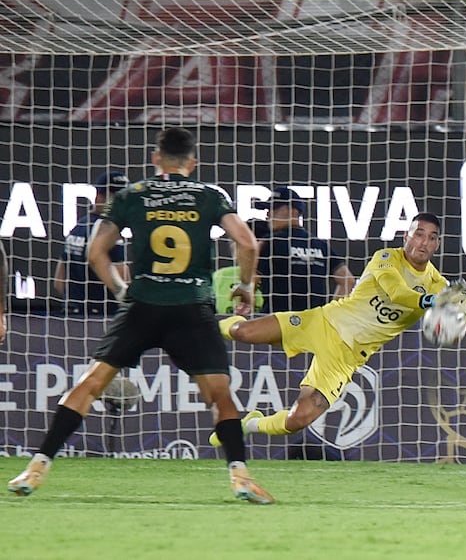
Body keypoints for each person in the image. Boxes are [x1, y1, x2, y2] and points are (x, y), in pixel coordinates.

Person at [8, 127, 273, 504]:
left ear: (155, 158)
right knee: (219, 396)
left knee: (90, 384)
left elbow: (97, 253)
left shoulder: (134, 194)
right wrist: (245, 287)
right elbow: (246, 242)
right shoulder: (210, 195)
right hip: (191, 307)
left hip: (143, 305)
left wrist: (120, 291)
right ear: (192, 162)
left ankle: (36, 467)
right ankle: (241, 476)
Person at [209, 212, 466, 447]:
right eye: (418, 234)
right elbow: (396, 293)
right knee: (243, 333)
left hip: (347, 357)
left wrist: (454, 321)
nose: (423, 242)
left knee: (298, 420)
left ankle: (246, 426)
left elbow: (443, 320)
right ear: (407, 236)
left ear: (437, 244)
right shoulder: (386, 258)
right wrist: (431, 301)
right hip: (324, 323)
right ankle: (201, 324)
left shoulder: (438, 285)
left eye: (431, 237)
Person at [252, 186, 356, 313]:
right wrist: (330, 313)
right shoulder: (320, 245)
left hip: (277, 323)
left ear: (293, 211)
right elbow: (348, 280)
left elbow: (250, 276)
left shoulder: (268, 242)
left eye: (274, 208)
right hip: (312, 325)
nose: (268, 214)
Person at [53, 171, 130, 316]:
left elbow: (59, 283)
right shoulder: (109, 233)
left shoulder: (77, 228)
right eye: (117, 197)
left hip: (70, 317)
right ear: (98, 197)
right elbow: (124, 280)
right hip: (101, 317)